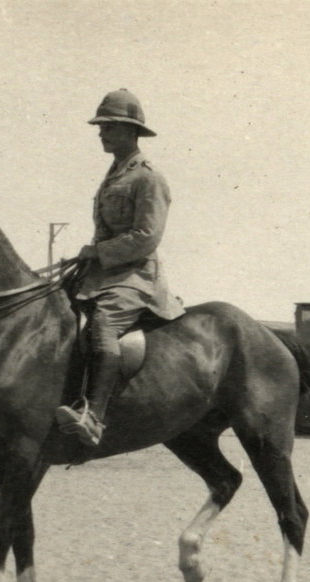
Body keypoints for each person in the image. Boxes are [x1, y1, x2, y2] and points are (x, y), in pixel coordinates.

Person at [55, 89, 185, 446]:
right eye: (101, 127)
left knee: (102, 324)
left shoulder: (148, 178)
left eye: (109, 127)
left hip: (136, 277)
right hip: (103, 274)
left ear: (131, 131)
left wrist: (97, 252)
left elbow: (146, 236)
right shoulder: (114, 174)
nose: (101, 133)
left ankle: (93, 418)